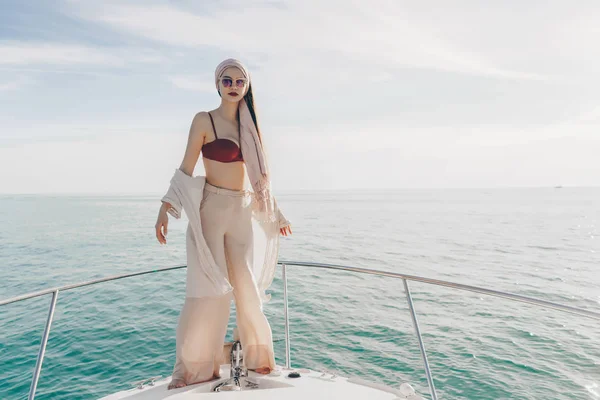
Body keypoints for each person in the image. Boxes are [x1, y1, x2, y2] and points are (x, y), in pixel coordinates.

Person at [155, 58, 292, 390]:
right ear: (217, 84)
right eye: (227, 81)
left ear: (246, 87)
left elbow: (259, 181)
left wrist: (279, 214)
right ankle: (195, 369)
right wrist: (166, 206)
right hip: (211, 211)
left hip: (243, 212)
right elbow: (186, 168)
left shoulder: (251, 127)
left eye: (239, 81)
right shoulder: (205, 120)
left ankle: (258, 359)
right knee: (208, 293)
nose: (233, 86)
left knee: (247, 291)